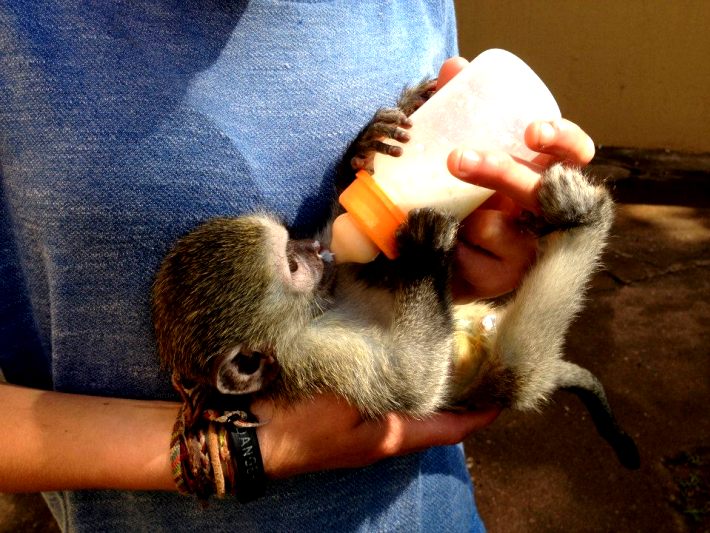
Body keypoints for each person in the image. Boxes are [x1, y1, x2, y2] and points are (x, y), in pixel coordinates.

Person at [0, 1, 595, 531]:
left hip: (431, 503)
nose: (314, 248)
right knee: (520, 368)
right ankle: (590, 227)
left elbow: (377, 262)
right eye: (291, 261)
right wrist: (247, 449)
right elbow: (413, 382)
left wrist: (417, 180)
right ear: (248, 366)